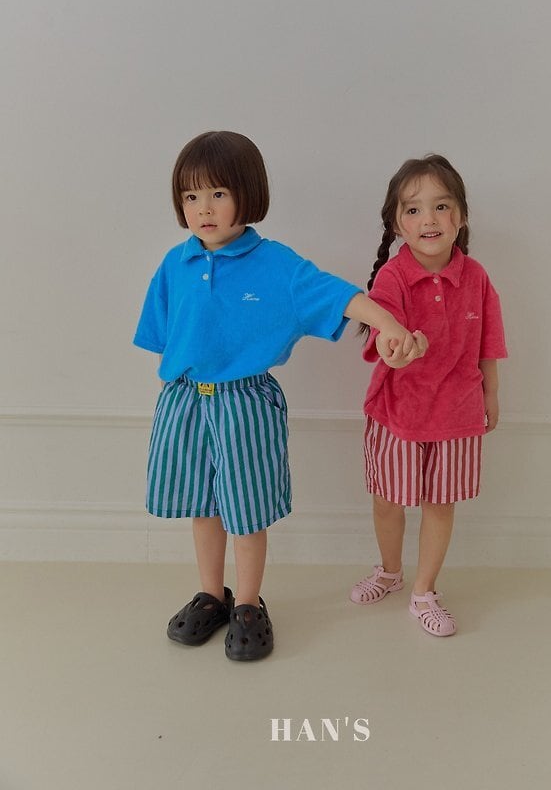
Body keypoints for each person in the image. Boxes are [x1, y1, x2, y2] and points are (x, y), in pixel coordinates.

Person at [133, 130, 426, 661]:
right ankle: (211, 594)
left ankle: (248, 603)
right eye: (191, 196)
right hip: (184, 400)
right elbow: (165, 337)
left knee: (246, 510)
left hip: (244, 403)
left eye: (218, 193)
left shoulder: (276, 265)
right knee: (202, 505)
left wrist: (388, 324)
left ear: (248, 194)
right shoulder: (175, 265)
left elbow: (338, 295)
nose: (204, 208)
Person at [350, 154, 507, 636]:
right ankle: (390, 572)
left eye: (441, 206)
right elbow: (384, 337)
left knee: (441, 504)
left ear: (460, 216)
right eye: (414, 209)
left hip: (457, 413)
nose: (429, 219)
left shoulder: (477, 276)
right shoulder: (392, 277)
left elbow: (488, 343)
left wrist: (491, 395)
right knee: (387, 500)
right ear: (397, 223)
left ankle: (424, 590)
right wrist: (399, 349)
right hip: (396, 414)